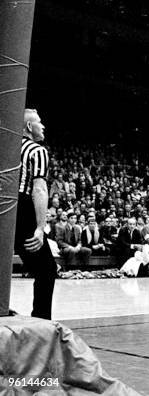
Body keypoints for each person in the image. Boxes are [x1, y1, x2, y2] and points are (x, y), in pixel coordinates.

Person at [13, 109, 57, 319]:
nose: (44, 126)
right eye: (40, 122)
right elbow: (39, 189)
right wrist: (40, 227)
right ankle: (41, 320)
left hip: (5, 208)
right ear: (29, 127)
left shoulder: (8, 149)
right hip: (23, 209)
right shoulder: (37, 150)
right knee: (47, 270)